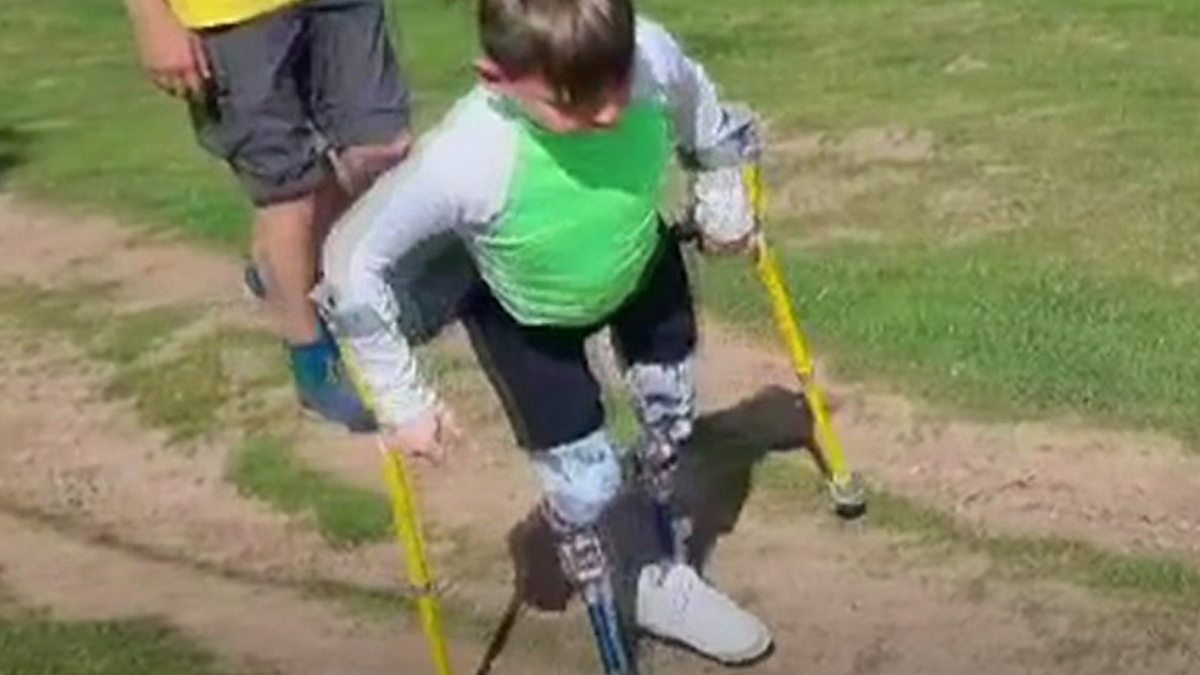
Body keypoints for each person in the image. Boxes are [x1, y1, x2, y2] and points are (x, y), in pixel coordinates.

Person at [319, 0, 772, 663]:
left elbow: (700, 109)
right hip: (528, 320)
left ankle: (658, 571)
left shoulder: (649, 53)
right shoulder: (467, 157)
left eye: (615, 82)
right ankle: (592, 543)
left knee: (671, 424)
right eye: (573, 103)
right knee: (587, 487)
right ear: (494, 78)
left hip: (641, 269)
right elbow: (352, 264)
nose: (610, 112)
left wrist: (725, 199)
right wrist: (403, 401)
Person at [123, 0, 414, 431]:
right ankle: (311, 356)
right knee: (289, 189)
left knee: (382, 147)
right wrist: (150, 16)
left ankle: (277, 272)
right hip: (230, 16)